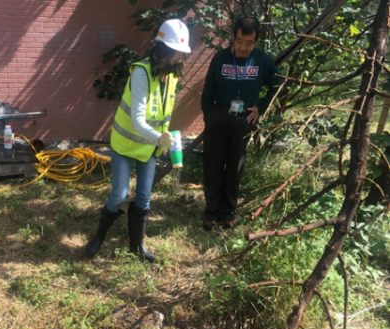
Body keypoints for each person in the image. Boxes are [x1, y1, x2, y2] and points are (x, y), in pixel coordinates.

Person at [85, 19, 191, 262]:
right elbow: (137, 121)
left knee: (144, 196)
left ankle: (137, 246)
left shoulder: (172, 76)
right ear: (166, 50)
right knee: (119, 194)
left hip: (149, 148)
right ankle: (99, 237)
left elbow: (163, 115)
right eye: (179, 53)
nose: (181, 58)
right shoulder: (141, 73)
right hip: (125, 145)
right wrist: (160, 139)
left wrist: (164, 140)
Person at [201, 16, 281, 230]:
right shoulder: (219, 58)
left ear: (256, 42)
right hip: (218, 118)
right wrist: (208, 116)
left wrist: (260, 108)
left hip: (243, 120)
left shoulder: (262, 60)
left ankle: (228, 212)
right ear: (233, 37)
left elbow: (278, 84)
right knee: (213, 166)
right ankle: (211, 211)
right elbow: (208, 90)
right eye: (239, 41)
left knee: (234, 168)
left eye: (249, 43)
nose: (243, 47)